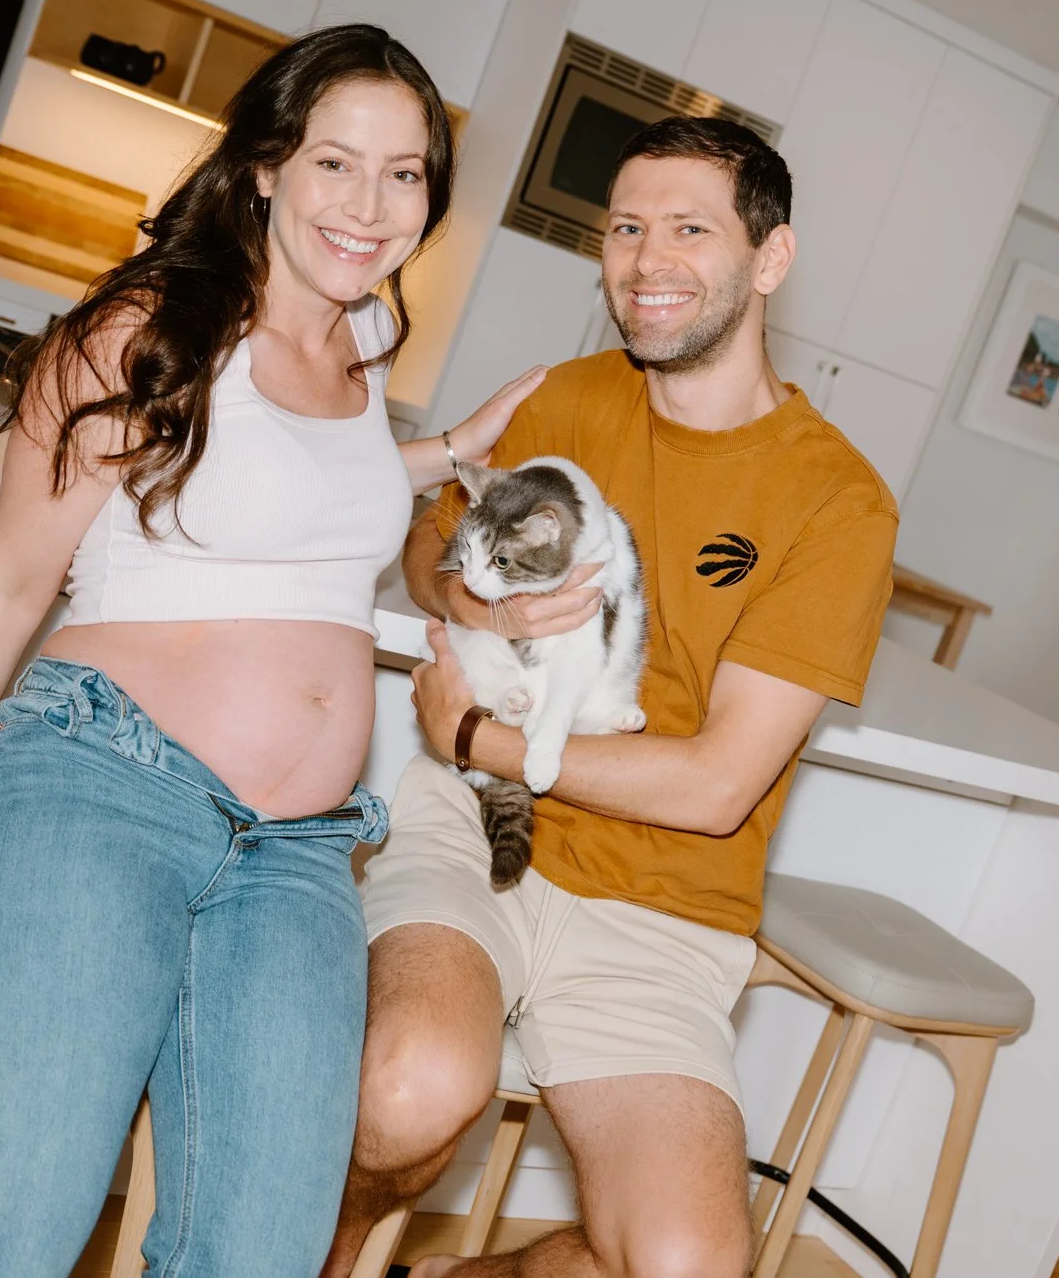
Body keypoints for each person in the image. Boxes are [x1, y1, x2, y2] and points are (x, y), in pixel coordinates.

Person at [0, 25, 546, 1277]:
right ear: (264, 167)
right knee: (15, 1242)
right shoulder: (148, 328)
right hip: (107, 790)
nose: (370, 206)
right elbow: (11, 581)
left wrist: (442, 450)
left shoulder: (361, 348)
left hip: (299, 855)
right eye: (335, 163)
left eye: (405, 173)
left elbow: (288, 481)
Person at [325, 117, 899, 1277]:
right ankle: (316, 1257)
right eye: (627, 228)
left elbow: (716, 783)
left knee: (687, 1268)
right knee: (405, 1089)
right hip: (476, 836)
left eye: (689, 227)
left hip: (664, 909)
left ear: (769, 258)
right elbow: (430, 563)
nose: (646, 260)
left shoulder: (841, 504)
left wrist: (480, 731)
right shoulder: (560, 399)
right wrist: (490, 615)